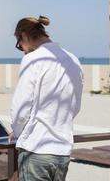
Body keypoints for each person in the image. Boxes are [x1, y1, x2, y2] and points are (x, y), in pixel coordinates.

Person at [9, 15, 84, 181]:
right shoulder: (73, 60)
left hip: (36, 149)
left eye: (19, 44)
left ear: (24, 36)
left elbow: (21, 109)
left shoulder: (33, 59)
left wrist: (16, 132)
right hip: (62, 151)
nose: (22, 49)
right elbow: (75, 106)